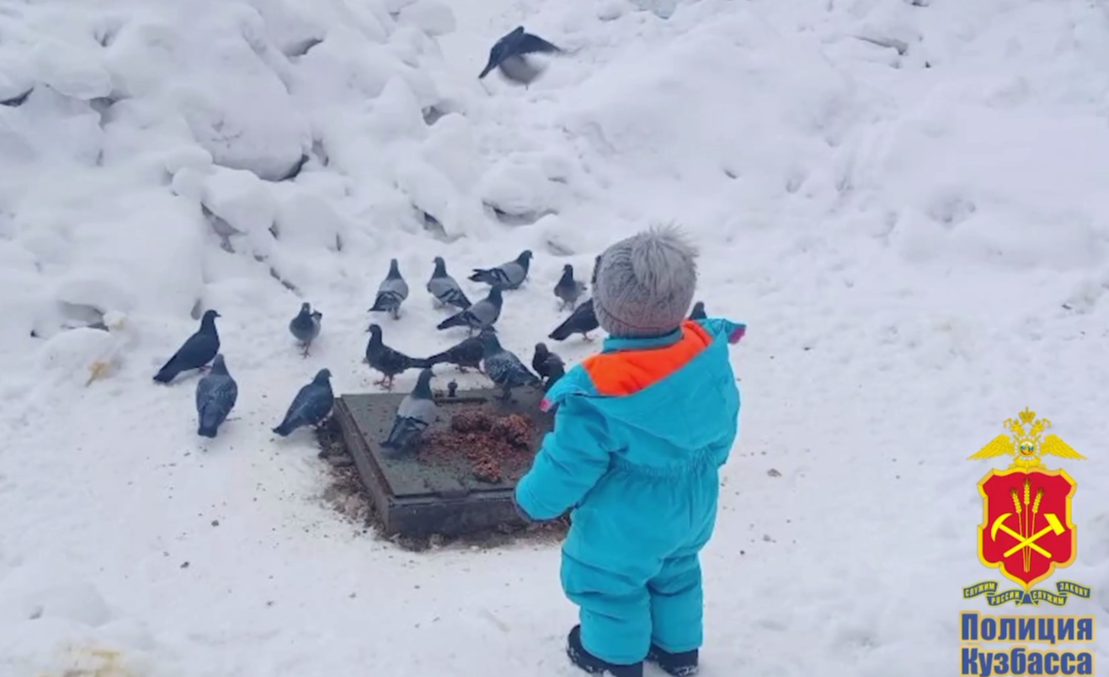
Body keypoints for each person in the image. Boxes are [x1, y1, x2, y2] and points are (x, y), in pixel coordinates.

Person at [514, 225, 745, 677]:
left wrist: (533, 501)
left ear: (604, 310)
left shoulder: (597, 391)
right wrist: (705, 462)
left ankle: (611, 657)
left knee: (609, 584)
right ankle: (678, 652)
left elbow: (569, 463)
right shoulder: (705, 352)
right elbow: (725, 419)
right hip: (694, 502)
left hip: (627, 516)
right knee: (676, 571)